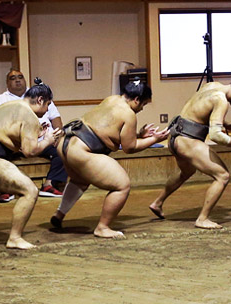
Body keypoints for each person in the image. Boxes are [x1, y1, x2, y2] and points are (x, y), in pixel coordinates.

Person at [49, 80, 169, 238]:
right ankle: (103, 227)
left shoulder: (112, 99)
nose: (141, 109)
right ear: (136, 100)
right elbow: (129, 147)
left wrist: (140, 135)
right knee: (122, 185)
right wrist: (155, 139)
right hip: (81, 151)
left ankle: (59, 215)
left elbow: (110, 131)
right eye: (143, 104)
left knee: (80, 180)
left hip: (65, 143)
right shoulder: (129, 114)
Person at [0, 82, 63, 249]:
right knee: (30, 191)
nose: (47, 109)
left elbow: (9, 135)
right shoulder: (29, 116)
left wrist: (38, 134)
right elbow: (30, 151)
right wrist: (48, 140)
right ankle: (14, 238)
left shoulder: (8, 106)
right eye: (48, 104)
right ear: (40, 100)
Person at [147, 77, 231, 229]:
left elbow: (200, 109)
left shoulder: (212, 86)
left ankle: (157, 203)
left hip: (175, 137)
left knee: (186, 172)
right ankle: (202, 219)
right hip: (187, 141)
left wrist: (226, 124)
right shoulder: (221, 100)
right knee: (222, 176)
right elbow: (215, 136)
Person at [0, 70, 67, 201]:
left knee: (64, 149)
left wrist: (58, 136)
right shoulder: (1, 101)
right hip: (14, 143)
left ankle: (50, 184)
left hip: (43, 140)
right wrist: (14, 142)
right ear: (7, 83)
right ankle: (5, 188)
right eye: (13, 78)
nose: (17, 80)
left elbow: (56, 118)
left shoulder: (40, 95)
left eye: (20, 77)